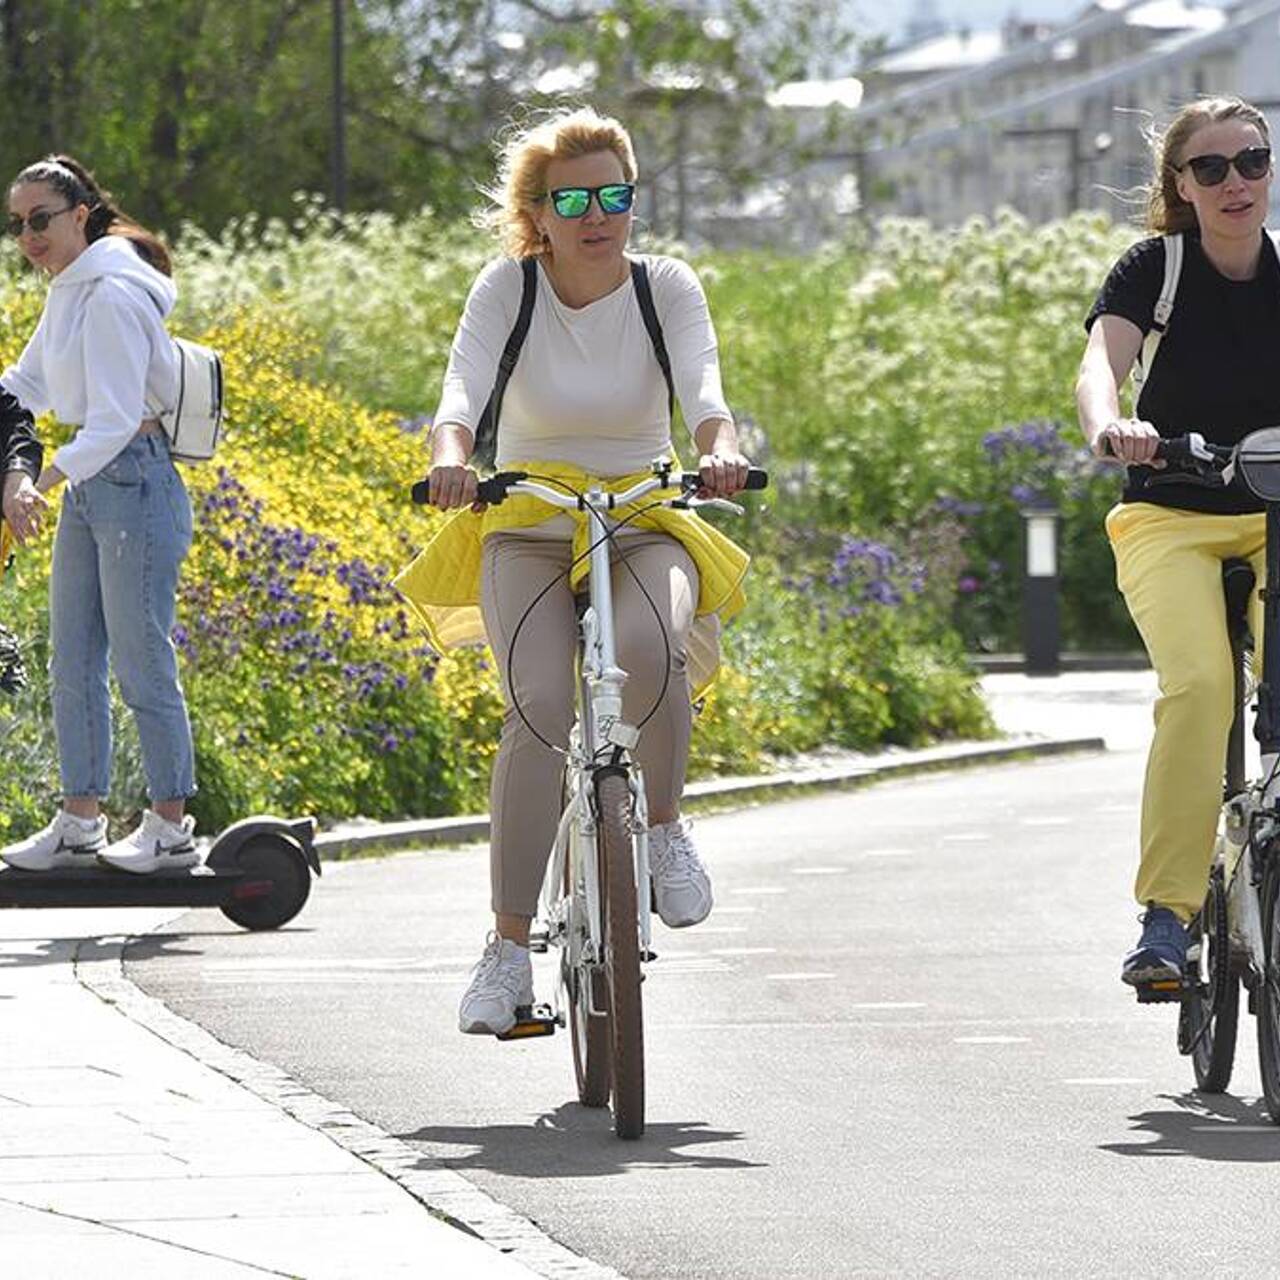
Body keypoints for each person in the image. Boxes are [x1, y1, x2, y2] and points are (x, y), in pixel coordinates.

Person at [395, 106, 754, 1036]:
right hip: (527, 515)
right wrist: (450, 455)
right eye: (575, 200)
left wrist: (719, 447)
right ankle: (508, 953)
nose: (598, 216)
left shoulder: (663, 286)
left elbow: (705, 391)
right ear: (539, 213)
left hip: (641, 510)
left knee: (653, 647)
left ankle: (665, 829)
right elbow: (460, 392)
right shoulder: (508, 289)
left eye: (615, 196)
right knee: (541, 705)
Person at [1075, 96, 1279, 989]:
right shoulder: (1152, 269)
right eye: (1212, 168)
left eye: (1253, 161)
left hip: (1276, 517)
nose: (1236, 182)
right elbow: (1098, 368)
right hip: (1170, 514)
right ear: (1182, 186)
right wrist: (1112, 424)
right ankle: (1167, 913)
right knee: (1200, 689)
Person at [0, 155, 199, 875]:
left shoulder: (113, 293)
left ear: (81, 214)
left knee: (142, 659)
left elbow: (114, 421)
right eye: (18, 224)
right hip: (94, 489)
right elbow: (26, 384)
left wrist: (37, 482)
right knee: (73, 658)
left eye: (42, 220)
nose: (29, 235)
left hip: (134, 484)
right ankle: (80, 820)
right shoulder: (69, 291)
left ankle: (171, 826)